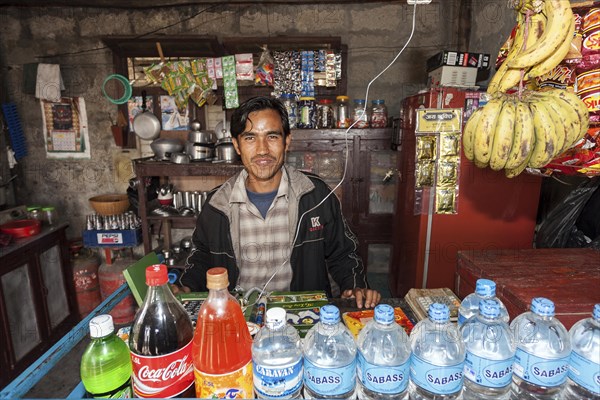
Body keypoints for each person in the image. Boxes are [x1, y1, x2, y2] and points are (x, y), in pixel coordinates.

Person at [176, 96, 380, 308]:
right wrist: (186, 287)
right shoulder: (217, 204)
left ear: (287, 141)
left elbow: (343, 253)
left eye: (272, 137)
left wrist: (356, 286)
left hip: (303, 314)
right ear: (237, 145)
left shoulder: (315, 195)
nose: (262, 150)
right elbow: (201, 258)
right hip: (239, 316)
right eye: (250, 138)